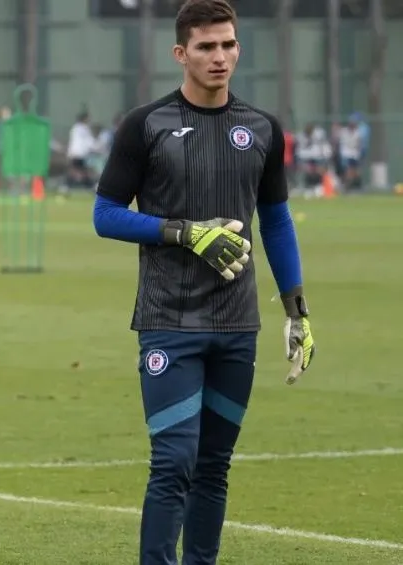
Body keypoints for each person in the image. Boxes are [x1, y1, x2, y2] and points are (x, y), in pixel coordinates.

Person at [90, 1, 315, 563]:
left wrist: (297, 311)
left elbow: (278, 221)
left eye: (229, 45)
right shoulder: (146, 125)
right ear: (181, 53)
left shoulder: (262, 129)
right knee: (174, 461)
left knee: (214, 466)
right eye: (207, 47)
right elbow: (106, 214)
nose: (220, 57)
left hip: (237, 323)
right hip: (168, 321)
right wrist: (184, 233)